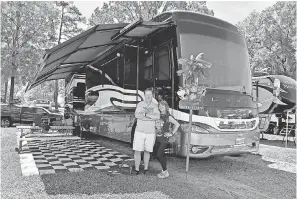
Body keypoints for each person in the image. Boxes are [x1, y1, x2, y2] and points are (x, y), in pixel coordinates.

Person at [133, 87, 160, 175]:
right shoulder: (140, 104)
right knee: (137, 150)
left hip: (150, 132)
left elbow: (157, 117)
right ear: (144, 95)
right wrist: (150, 117)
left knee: (147, 151)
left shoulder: (155, 106)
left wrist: (145, 115)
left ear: (152, 95)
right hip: (139, 131)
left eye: (150, 94)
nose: (148, 96)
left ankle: (146, 169)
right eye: (146, 94)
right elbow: (137, 115)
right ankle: (137, 169)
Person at [155, 100, 180, 178]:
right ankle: (164, 170)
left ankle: (165, 171)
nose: (161, 107)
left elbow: (177, 124)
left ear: (166, 107)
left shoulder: (168, 116)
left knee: (159, 154)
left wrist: (171, 133)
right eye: (159, 105)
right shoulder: (157, 115)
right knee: (160, 154)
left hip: (164, 138)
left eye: (162, 105)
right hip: (156, 138)